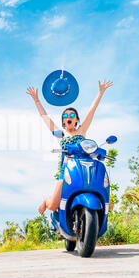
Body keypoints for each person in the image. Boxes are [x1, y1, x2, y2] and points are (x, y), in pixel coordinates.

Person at [26, 79, 113, 216]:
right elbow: (45, 117)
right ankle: (46, 200)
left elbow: (92, 110)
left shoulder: (82, 131)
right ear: (63, 121)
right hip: (67, 170)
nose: (68, 117)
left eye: (72, 115)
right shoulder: (61, 134)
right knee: (53, 205)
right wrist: (37, 100)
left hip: (85, 167)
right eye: (65, 116)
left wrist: (100, 92)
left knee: (109, 203)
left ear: (77, 119)